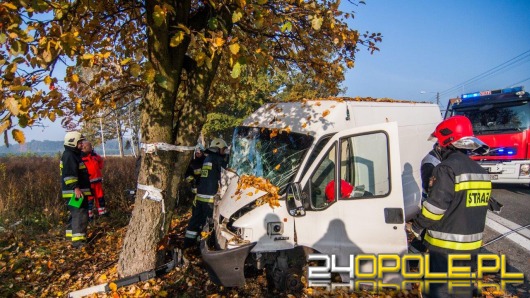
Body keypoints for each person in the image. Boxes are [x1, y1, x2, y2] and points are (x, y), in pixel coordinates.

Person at [407, 115, 491, 297]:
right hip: (472, 248)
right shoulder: (481, 172)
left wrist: (417, 226)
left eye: (439, 141)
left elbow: (435, 208)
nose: (437, 145)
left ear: (448, 140)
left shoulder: (446, 168)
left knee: (439, 291)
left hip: (445, 250)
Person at [183, 138, 228, 250]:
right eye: (223, 149)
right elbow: (226, 175)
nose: (225, 151)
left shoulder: (207, 158)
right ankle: (206, 247)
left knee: (196, 220)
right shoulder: (217, 159)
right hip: (210, 199)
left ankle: (188, 244)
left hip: (200, 197)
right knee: (210, 223)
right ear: (218, 149)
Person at [61, 131, 92, 248]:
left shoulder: (73, 155)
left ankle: (70, 237)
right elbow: (69, 175)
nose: (82, 145)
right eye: (79, 142)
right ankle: (79, 242)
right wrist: (76, 188)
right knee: (80, 215)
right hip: (75, 193)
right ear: (72, 142)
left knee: (74, 215)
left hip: (74, 192)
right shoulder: (70, 156)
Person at [81, 141, 107, 220]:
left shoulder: (94, 156)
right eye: (89, 146)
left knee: (100, 197)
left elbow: (101, 160)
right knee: (89, 199)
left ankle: (102, 213)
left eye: (90, 146)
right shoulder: (80, 157)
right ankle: (89, 216)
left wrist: (99, 167)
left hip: (97, 182)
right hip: (88, 183)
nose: (91, 147)